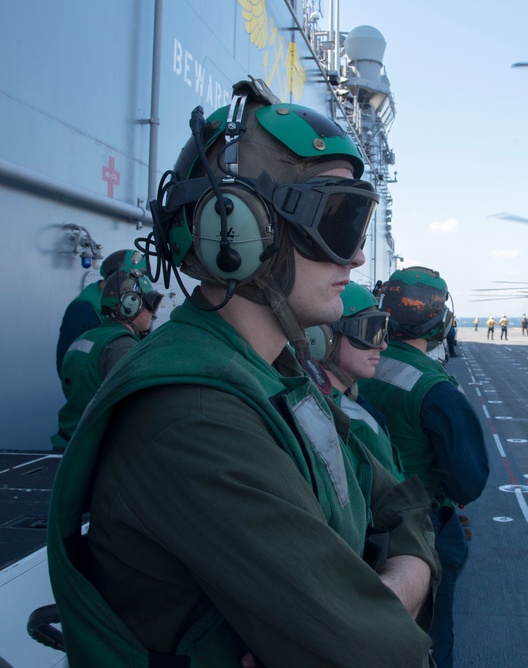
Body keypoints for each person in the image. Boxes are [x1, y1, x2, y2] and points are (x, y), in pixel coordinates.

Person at [48, 79, 436, 666]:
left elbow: (404, 504)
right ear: (241, 232)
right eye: (340, 219)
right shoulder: (194, 416)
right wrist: (395, 590)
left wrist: (388, 588)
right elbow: (375, 650)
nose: (357, 256)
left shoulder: (279, 373)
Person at [359, 266, 490, 668]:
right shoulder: (436, 390)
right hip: (419, 528)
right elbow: (469, 482)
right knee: (432, 641)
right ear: (441, 322)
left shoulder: (357, 360)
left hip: (358, 518)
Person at [51, 268, 162, 452]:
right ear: (131, 304)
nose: (153, 312)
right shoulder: (122, 346)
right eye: (151, 303)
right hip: (93, 449)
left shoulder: (88, 337)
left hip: (69, 442)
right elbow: (135, 408)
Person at [304, 282, 405, 481]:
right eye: (370, 332)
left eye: (382, 331)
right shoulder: (355, 423)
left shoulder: (332, 400)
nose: (383, 345)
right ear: (323, 337)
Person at [55, 248, 147, 376]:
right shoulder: (82, 311)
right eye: (132, 282)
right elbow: (68, 365)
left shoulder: (119, 305)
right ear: (118, 278)